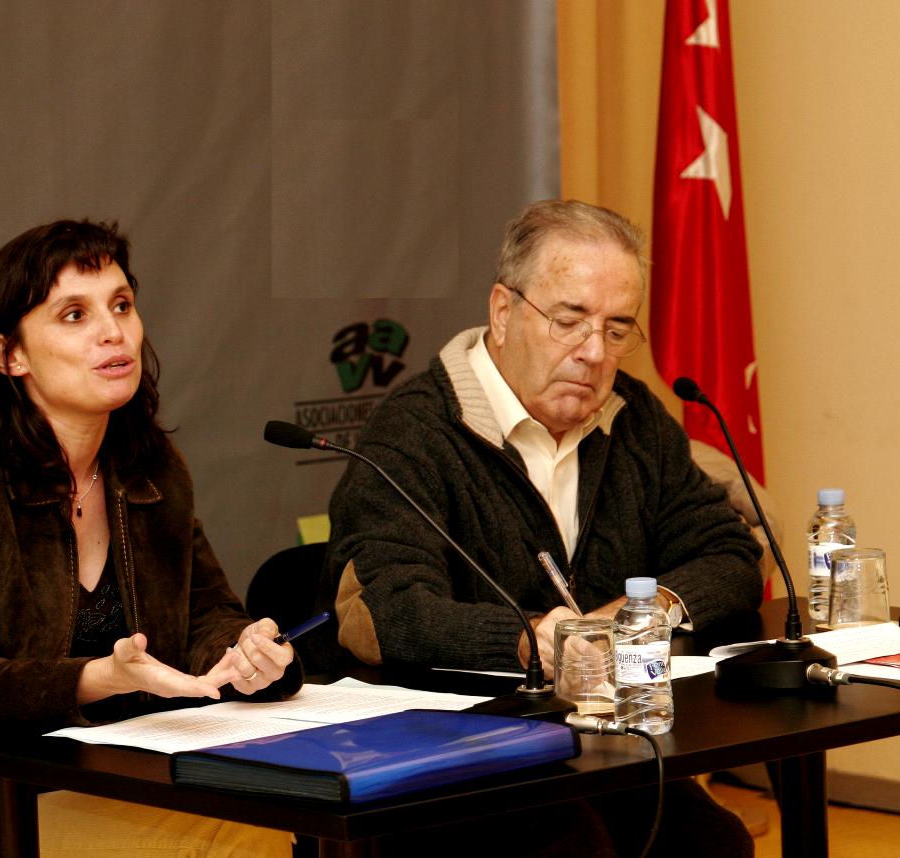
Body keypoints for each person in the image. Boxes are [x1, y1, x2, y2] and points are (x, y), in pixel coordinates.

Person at [0, 220, 301, 858]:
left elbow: (206, 615)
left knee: (274, 827)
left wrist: (246, 652)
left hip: (120, 785)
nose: (113, 332)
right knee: (235, 843)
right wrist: (100, 676)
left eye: (122, 305)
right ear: (10, 355)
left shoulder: (148, 466)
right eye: (75, 315)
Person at [320, 199, 761, 856]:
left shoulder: (633, 417)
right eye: (569, 321)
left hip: (598, 739)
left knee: (712, 844)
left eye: (617, 329)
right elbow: (384, 613)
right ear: (503, 311)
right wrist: (530, 641)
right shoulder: (413, 434)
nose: (594, 352)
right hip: (454, 753)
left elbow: (727, 553)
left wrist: (638, 615)